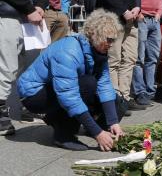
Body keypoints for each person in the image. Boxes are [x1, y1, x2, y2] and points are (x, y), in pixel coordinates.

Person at [17, 9, 126, 151]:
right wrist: (97, 133)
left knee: (119, 104)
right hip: (33, 95)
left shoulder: (100, 52)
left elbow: (105, 86)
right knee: (88, 84)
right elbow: (69, 96)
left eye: (113, 40)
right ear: (94, 35)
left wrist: (113, 122)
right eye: (109, 40)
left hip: (59, 89)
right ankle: (63, 134)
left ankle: (93, 128)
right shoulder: (68, 51)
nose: (111, 44)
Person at [0, 0, 48, 135]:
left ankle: (26, 105)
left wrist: (40, 5)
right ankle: (1, 113)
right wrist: (28, 8)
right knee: (6, 66)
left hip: (29, 17)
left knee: (25, 66)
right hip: (7, 14)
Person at [90, 0, 143, 111]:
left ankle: (124, 97)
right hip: (112, 17)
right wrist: (123, 10)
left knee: (129, 58)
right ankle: (113, 100)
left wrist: (137, 5)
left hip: (132, 17)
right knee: (113, 59)